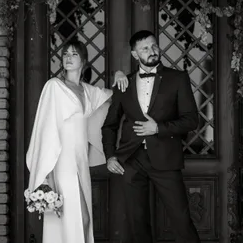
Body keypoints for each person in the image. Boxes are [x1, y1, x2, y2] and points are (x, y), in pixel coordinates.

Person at [102, 30, 201, 243]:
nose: (152, 51)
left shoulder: (178, 78)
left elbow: (192, 120)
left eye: (154, 46)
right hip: (131, 160)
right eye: (145, 48)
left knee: (181, 221)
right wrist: (110, 156)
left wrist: (158, 129)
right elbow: (109, 125)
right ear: (135, 55)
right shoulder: (123, 84)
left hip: (166, 158)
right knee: (137, 225)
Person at [26, 38, 128, 243]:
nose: (68, 58)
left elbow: (116, 95)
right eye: (65, 54)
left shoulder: (88, 92)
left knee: (80, 221)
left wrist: (119, 74)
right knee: (80, 219)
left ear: (83, 61)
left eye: (74, 54)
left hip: (80, 163)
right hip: (61, 163)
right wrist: (48, 176)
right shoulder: (54, 86)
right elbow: (46, 130)